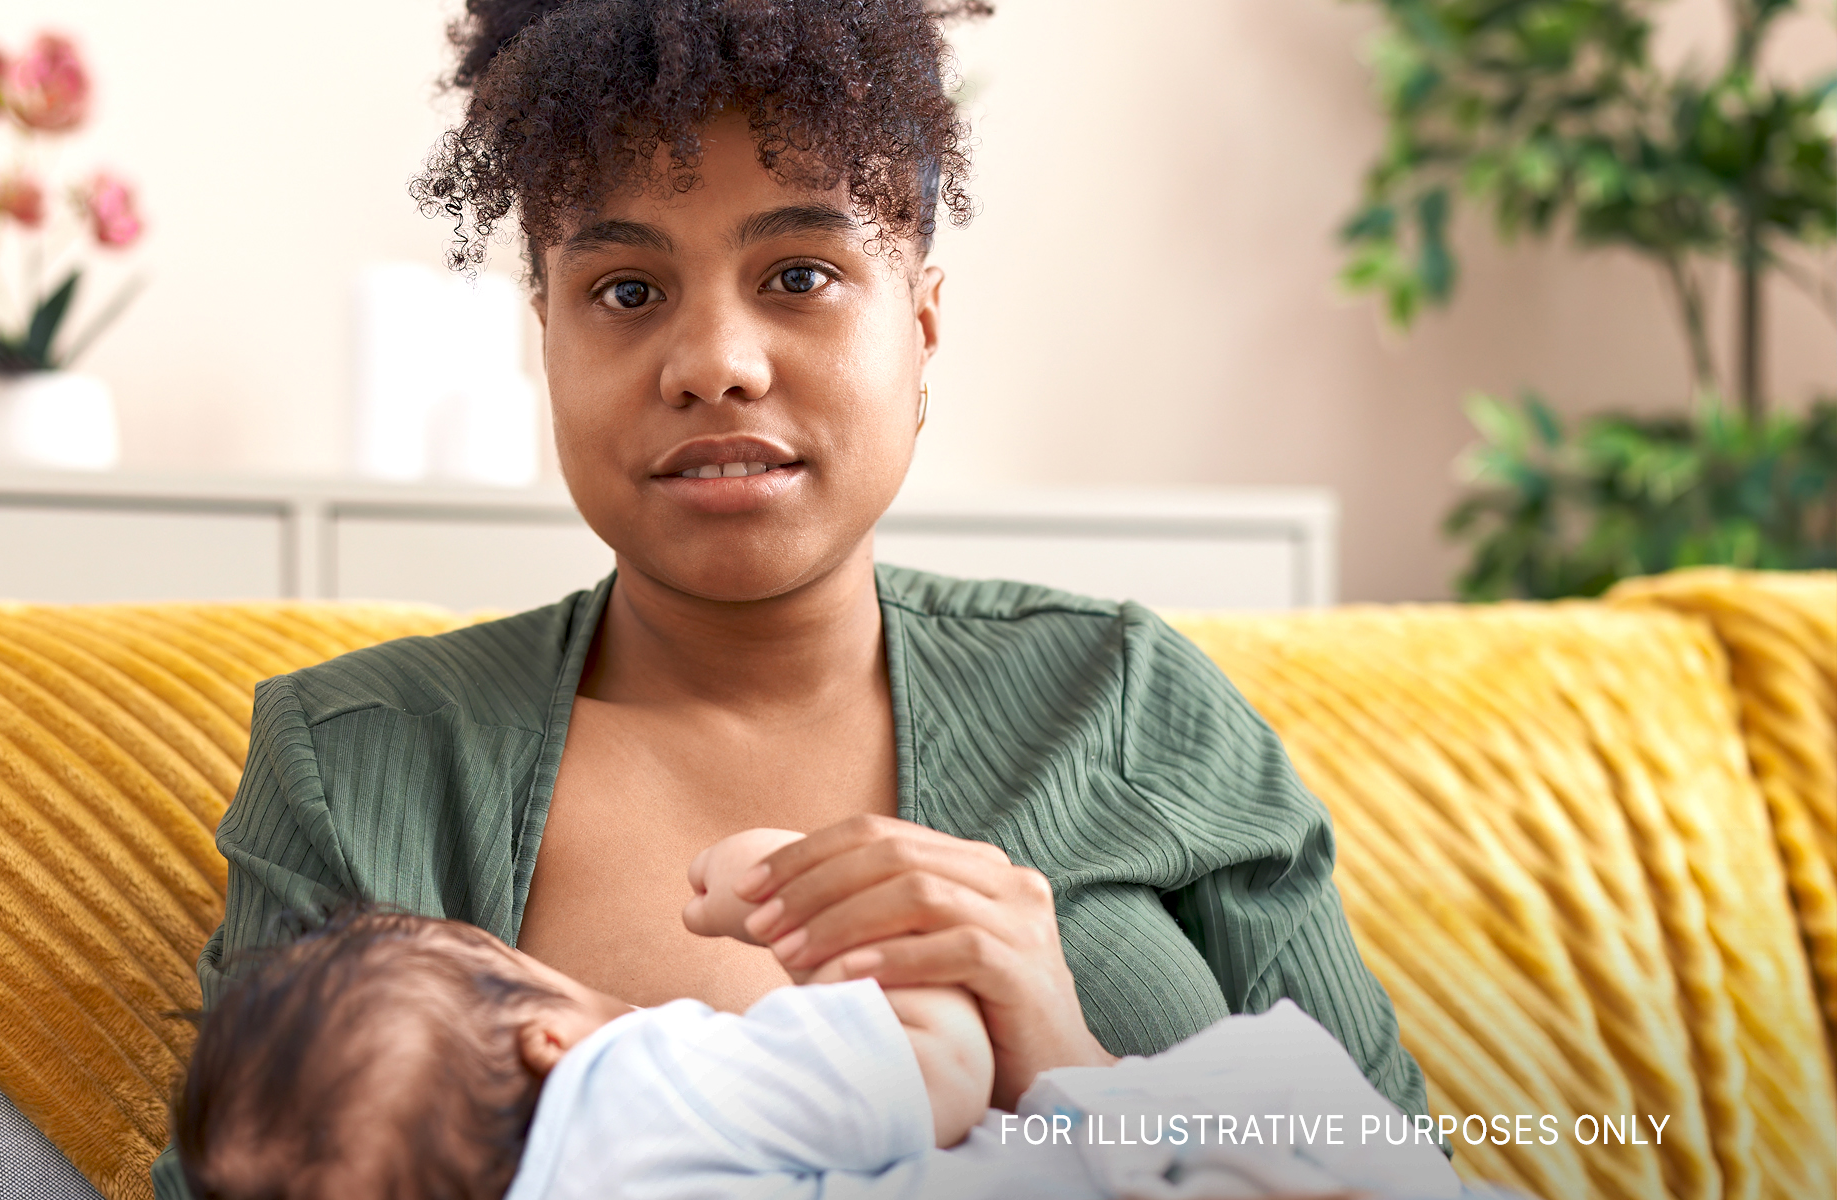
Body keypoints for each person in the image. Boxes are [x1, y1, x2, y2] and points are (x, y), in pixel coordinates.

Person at [153, 0, 1425, 1192]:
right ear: (546, 335)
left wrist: (1059, 1051)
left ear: (922, 325)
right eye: (627, 292)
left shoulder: (1133, 702)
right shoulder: (357, 762)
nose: (715, 363)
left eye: (801, 274)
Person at [171, 835, 1463, 1200]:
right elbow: (944, 1065)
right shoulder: (636, 1089)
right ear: (545, 1036)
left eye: (798, 276)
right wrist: (789, 897)